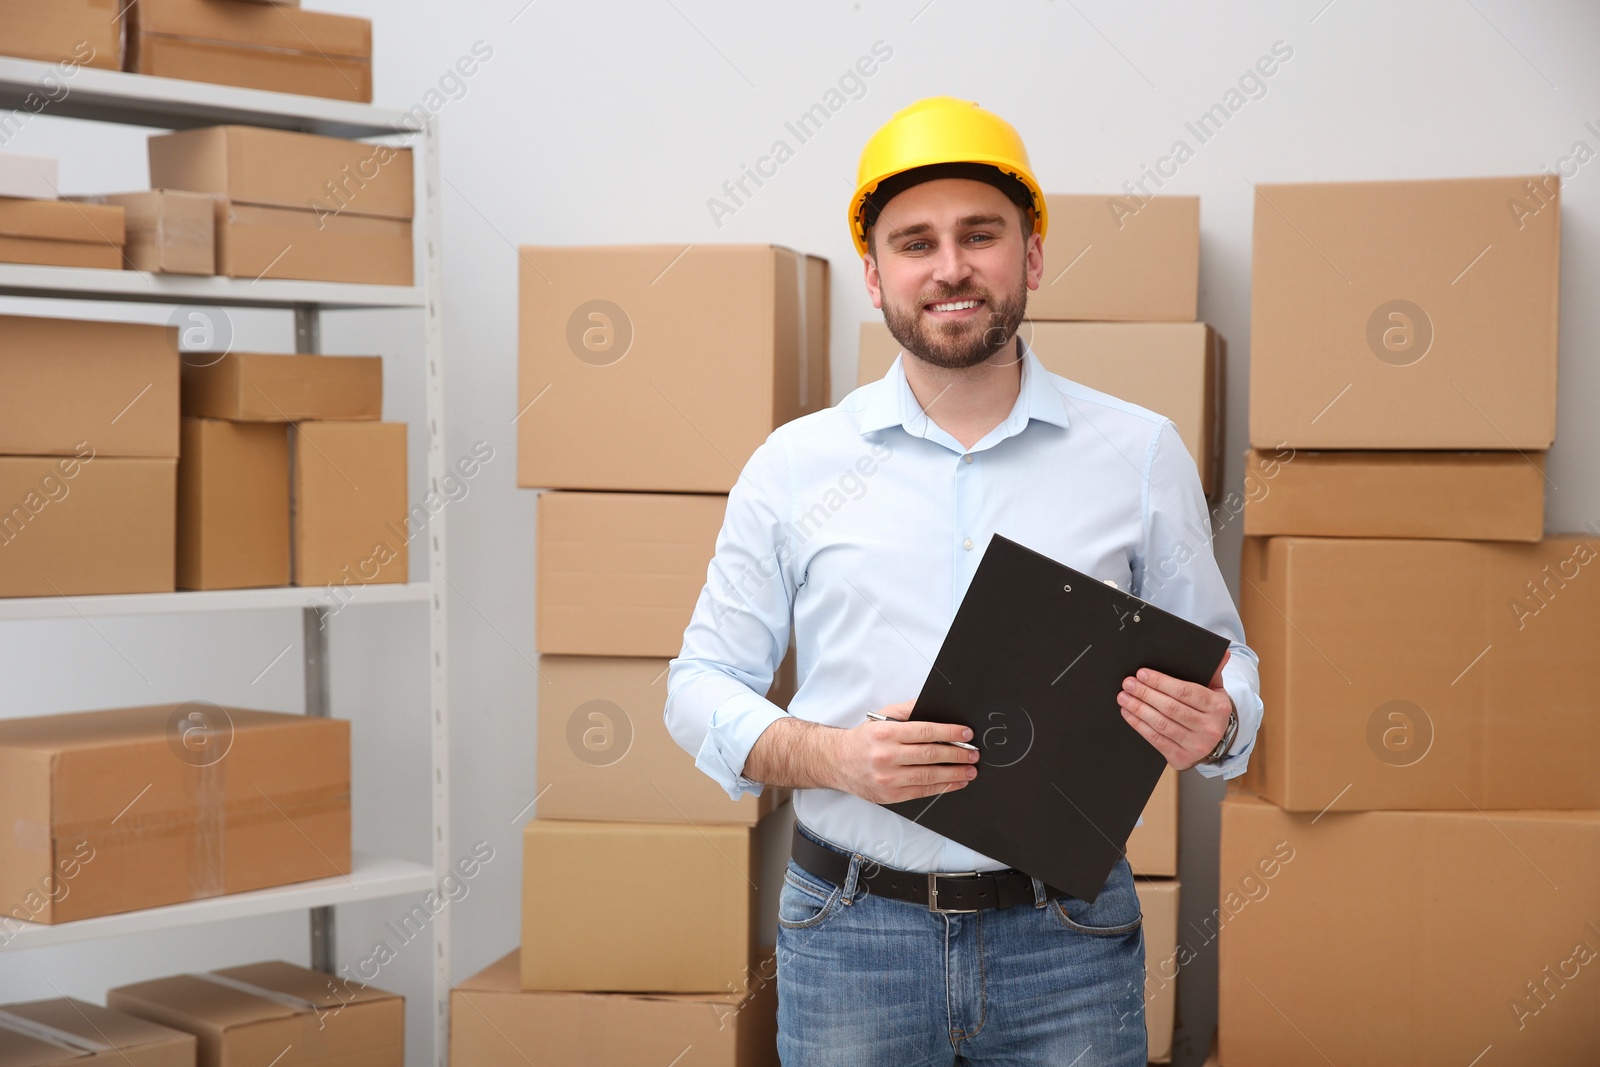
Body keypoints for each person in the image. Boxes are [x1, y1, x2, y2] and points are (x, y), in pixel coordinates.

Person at [666, 96, 1262, 1066]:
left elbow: (1225, 662)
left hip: (1067, 936)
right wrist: (834, 758)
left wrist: (1222, 719)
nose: (949, 266)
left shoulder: (1138, 451)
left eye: (979, 235)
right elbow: (696, 687)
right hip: (851, 930)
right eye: (915, 242)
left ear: (1029, 256)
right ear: (874, 274)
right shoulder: (795, 464)